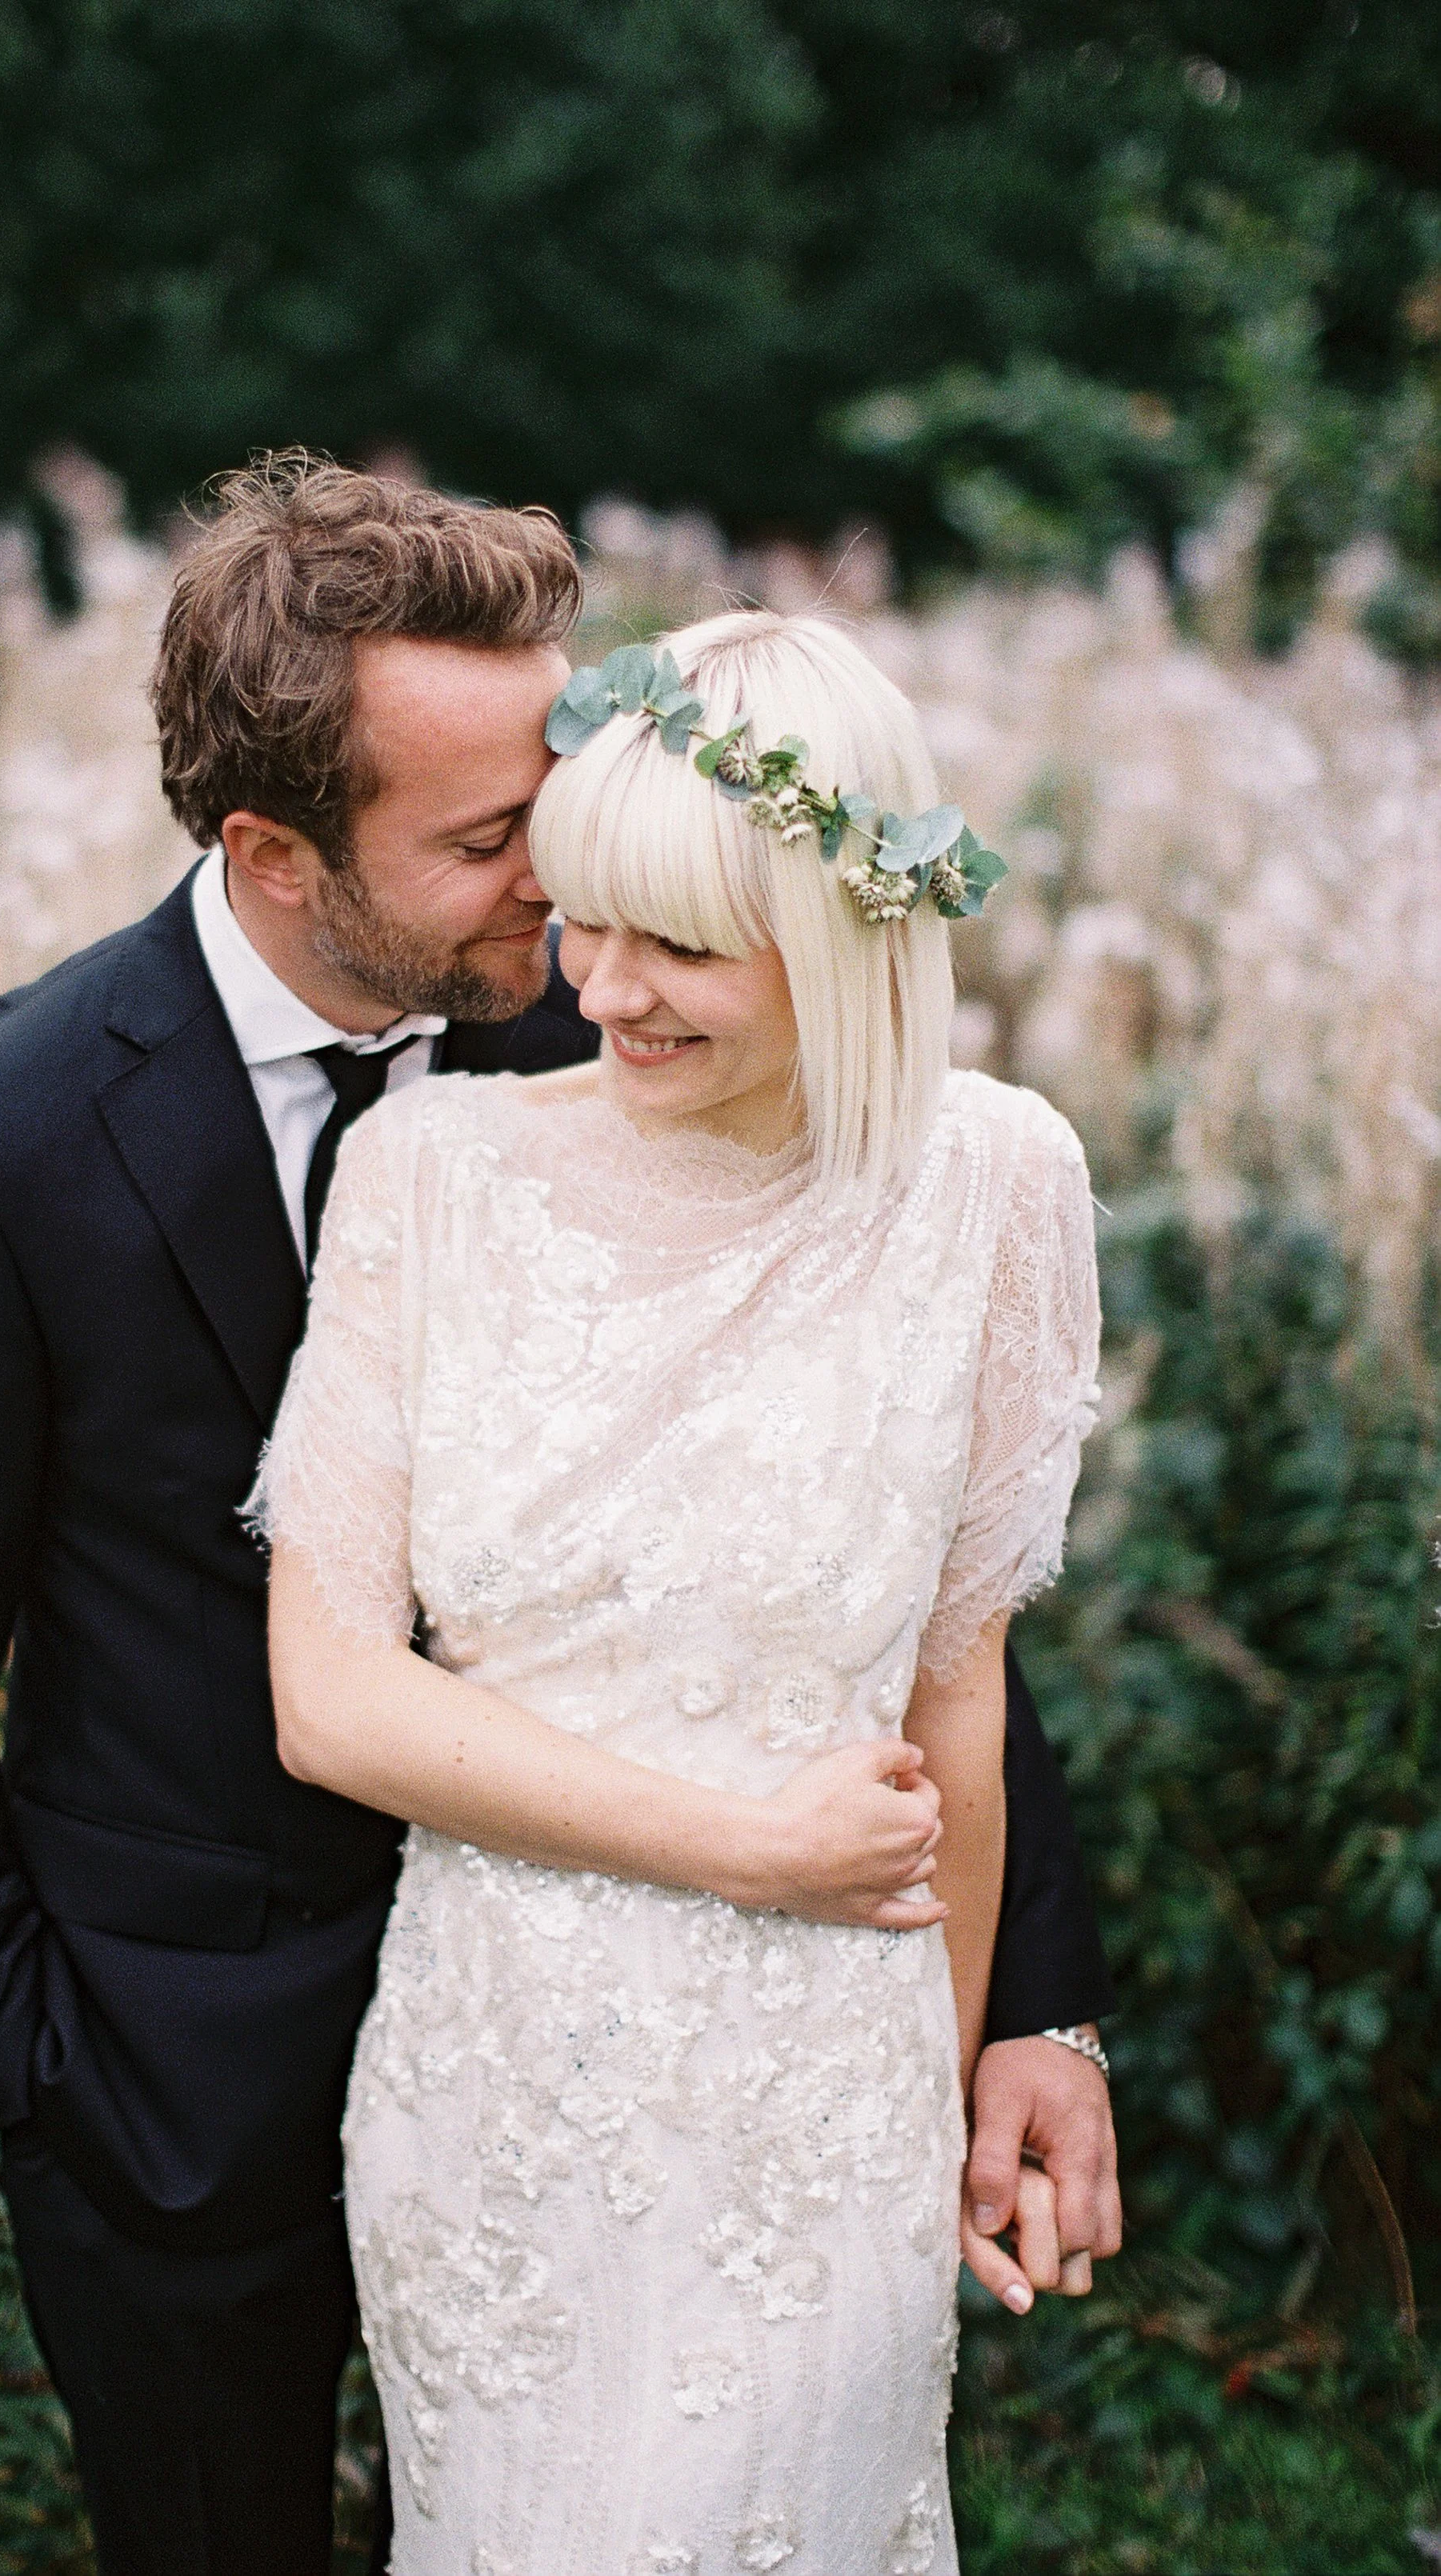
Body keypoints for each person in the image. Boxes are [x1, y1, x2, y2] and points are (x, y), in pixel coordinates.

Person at [0, 461, 1116, 2576]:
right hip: (182, 2084)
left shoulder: (651, 1012)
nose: (566, 908)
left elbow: (865, 1572)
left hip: (697, 2080)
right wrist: (37, 2060)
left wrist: (1027, 1994)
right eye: (500, 845)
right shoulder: (0, 1131)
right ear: (274, 850)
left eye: (571, 807)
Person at [257, 609, 1104, 2572]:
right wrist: (739, 1844)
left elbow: (955, 1703)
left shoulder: (997, 1186)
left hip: (825, 2105)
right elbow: (333, 1700)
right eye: (584, 918)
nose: (605, 990)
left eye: (682, 947)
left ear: (847, 937)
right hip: (498, 2093)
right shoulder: (426, 1171)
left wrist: (951, 2079)